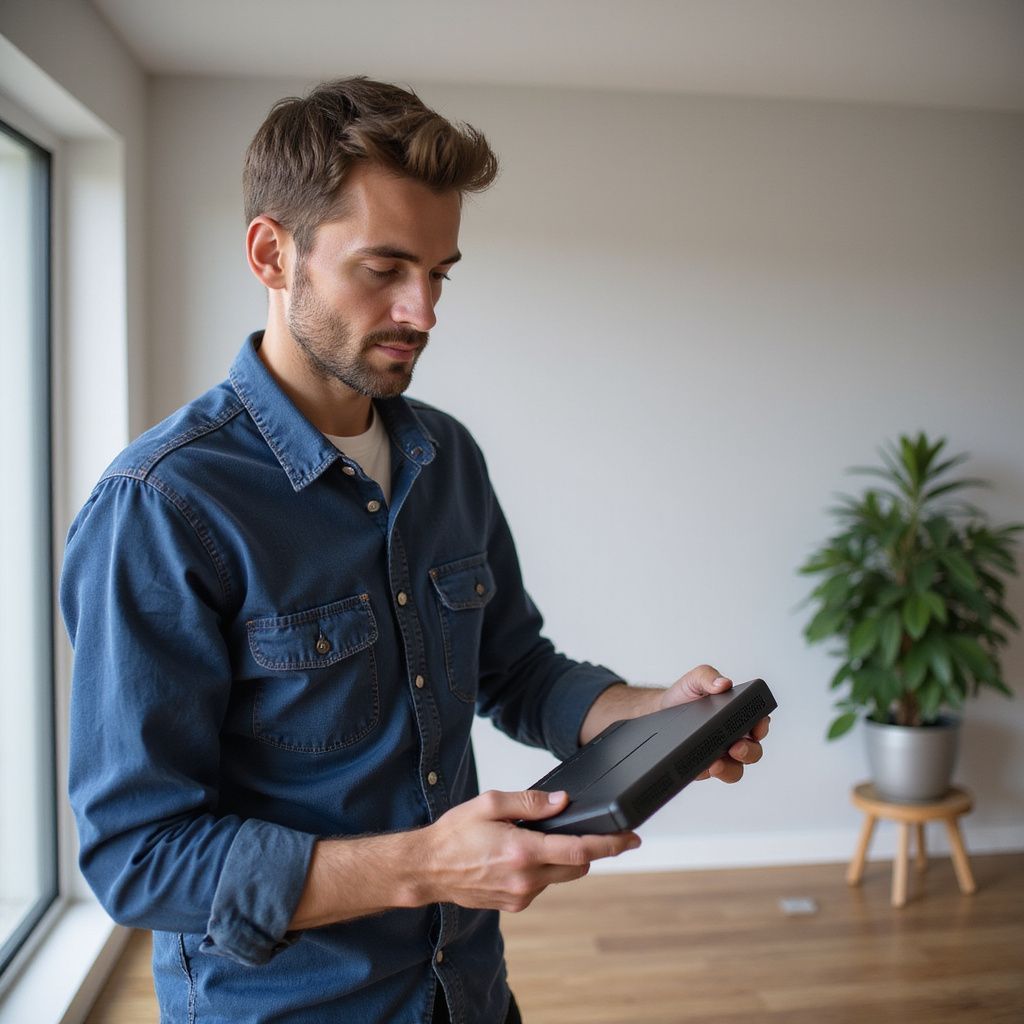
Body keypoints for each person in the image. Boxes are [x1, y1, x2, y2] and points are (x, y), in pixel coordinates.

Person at [61, 77, 769, 1024]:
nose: (423, 310)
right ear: (274, 254)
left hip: (465, 989)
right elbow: (139, 857)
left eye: (440, 272)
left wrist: (647, 716)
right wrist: (428, 864)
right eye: (385, 267)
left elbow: (513, 668)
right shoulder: (159, 505)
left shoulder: (446, 454)